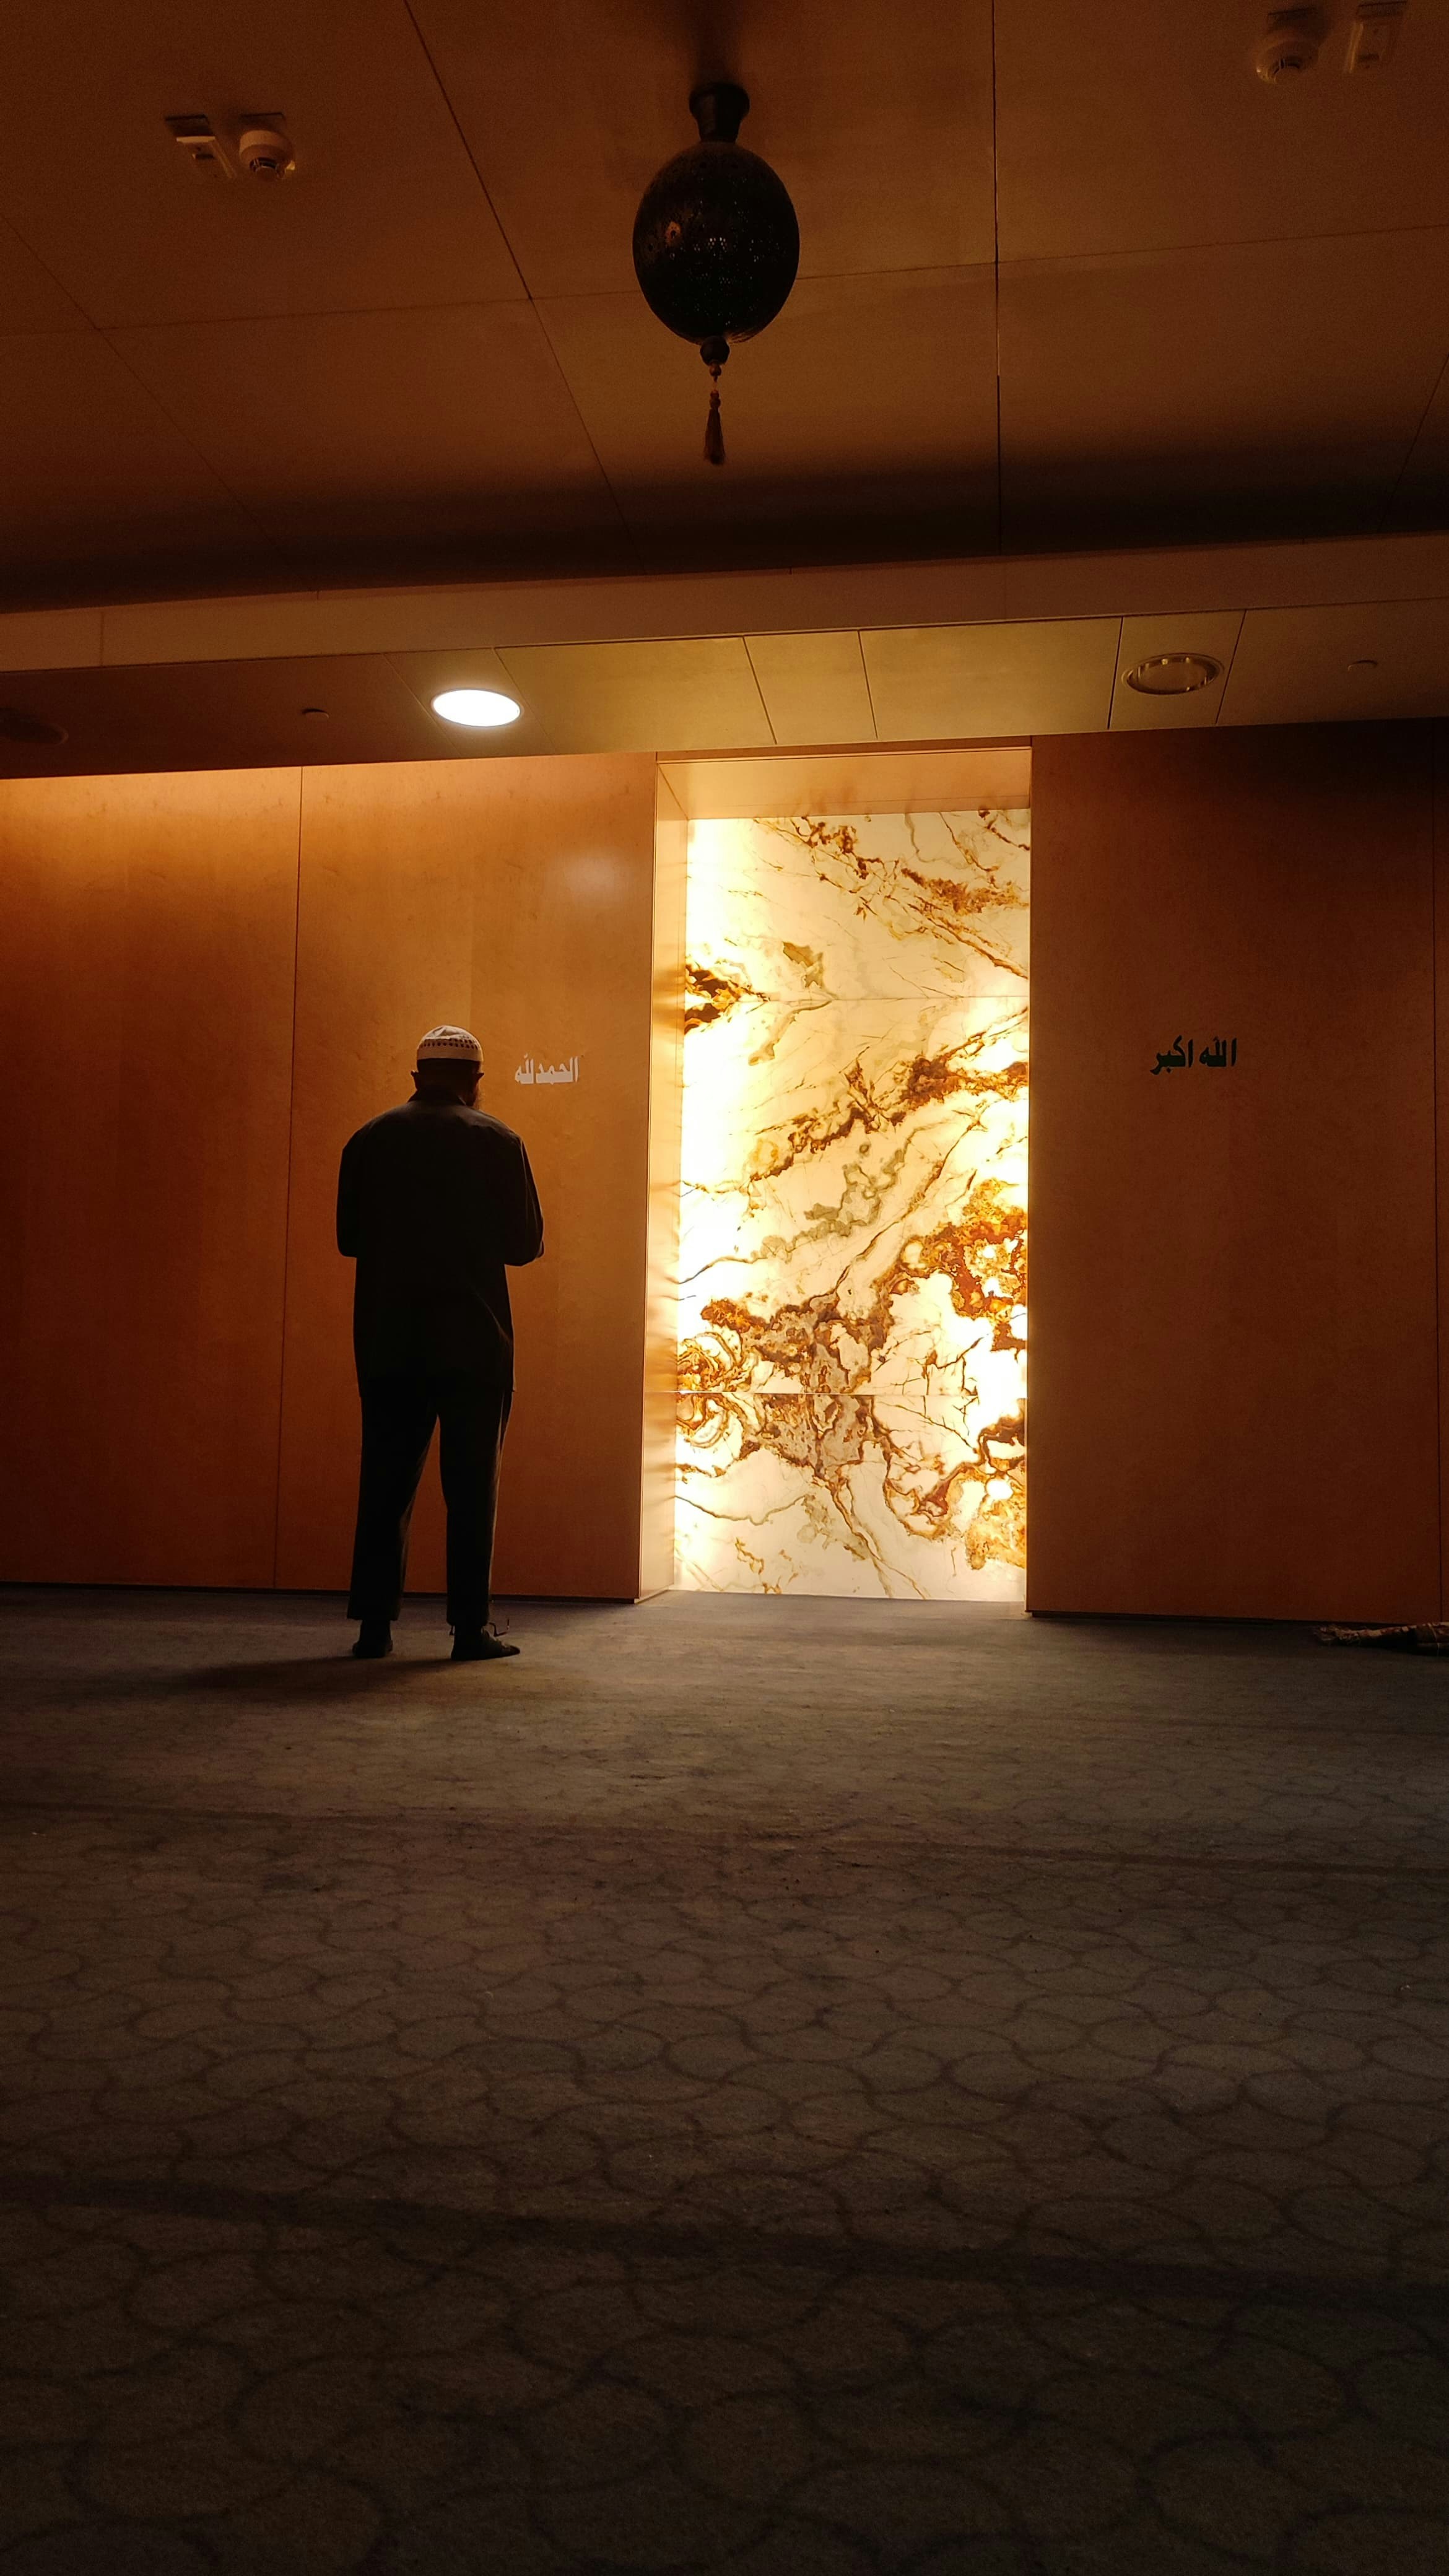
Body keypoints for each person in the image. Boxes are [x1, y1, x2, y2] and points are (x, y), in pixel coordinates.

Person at [337, 1025, 544, 1663]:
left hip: (390, 1339)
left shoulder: (369, 1139)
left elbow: (348, 1238)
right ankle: (469, 1628)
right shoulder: (499, 1141)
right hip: (475, 1342)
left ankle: (375, 1627)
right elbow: (524, 1245)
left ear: (416, 1077)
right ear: (475, 1081)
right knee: (472, 1488)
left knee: (386, 1485)